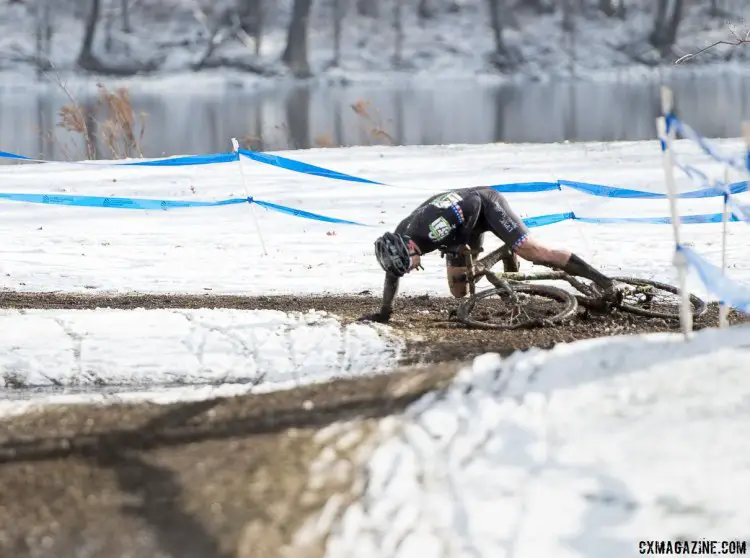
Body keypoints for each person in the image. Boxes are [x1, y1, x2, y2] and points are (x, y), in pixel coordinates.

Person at [359, 186, 618, 323]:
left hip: (484, 205)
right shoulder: (398, 244)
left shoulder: (429, 229)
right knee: (459, 290)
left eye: (408, 266)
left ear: (410, 249)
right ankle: (502, 254)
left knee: (535, 252)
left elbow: (472, 201)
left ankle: (605, 282)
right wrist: (384, 312)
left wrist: (461, 241)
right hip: (458, 224)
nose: (410, 270)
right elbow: (392, 276)